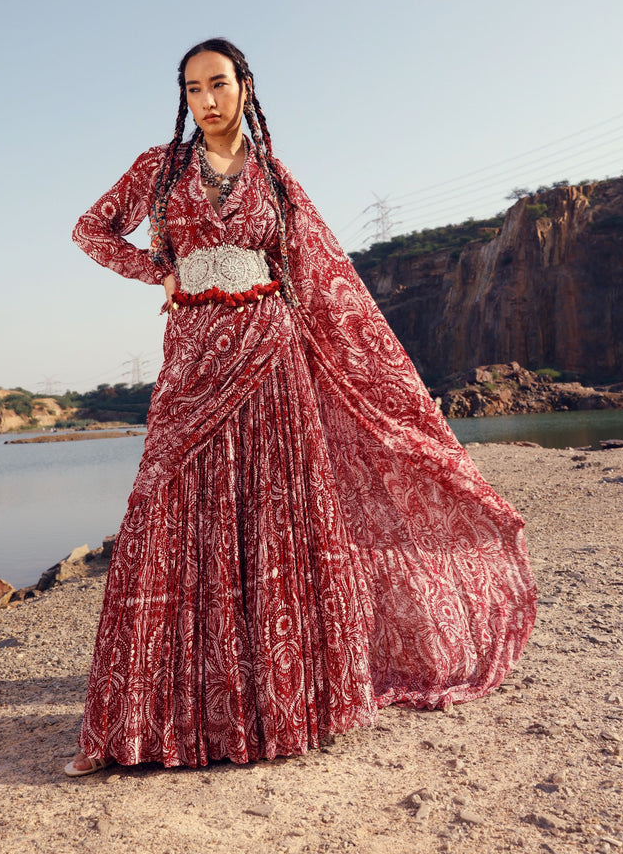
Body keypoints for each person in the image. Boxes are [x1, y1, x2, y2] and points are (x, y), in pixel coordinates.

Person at [65, 38, 536, 776]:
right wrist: (160, 270)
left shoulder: (276, 180)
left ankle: (285, 699)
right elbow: (90, 230)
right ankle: (154, 713)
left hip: (271, 354)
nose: (207, 100)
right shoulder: (160, 169)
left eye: (219, 84)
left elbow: (321, 278)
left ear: (246, 87)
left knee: (273, 514)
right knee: (168, 505)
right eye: (193, 89)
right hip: (192, 358)